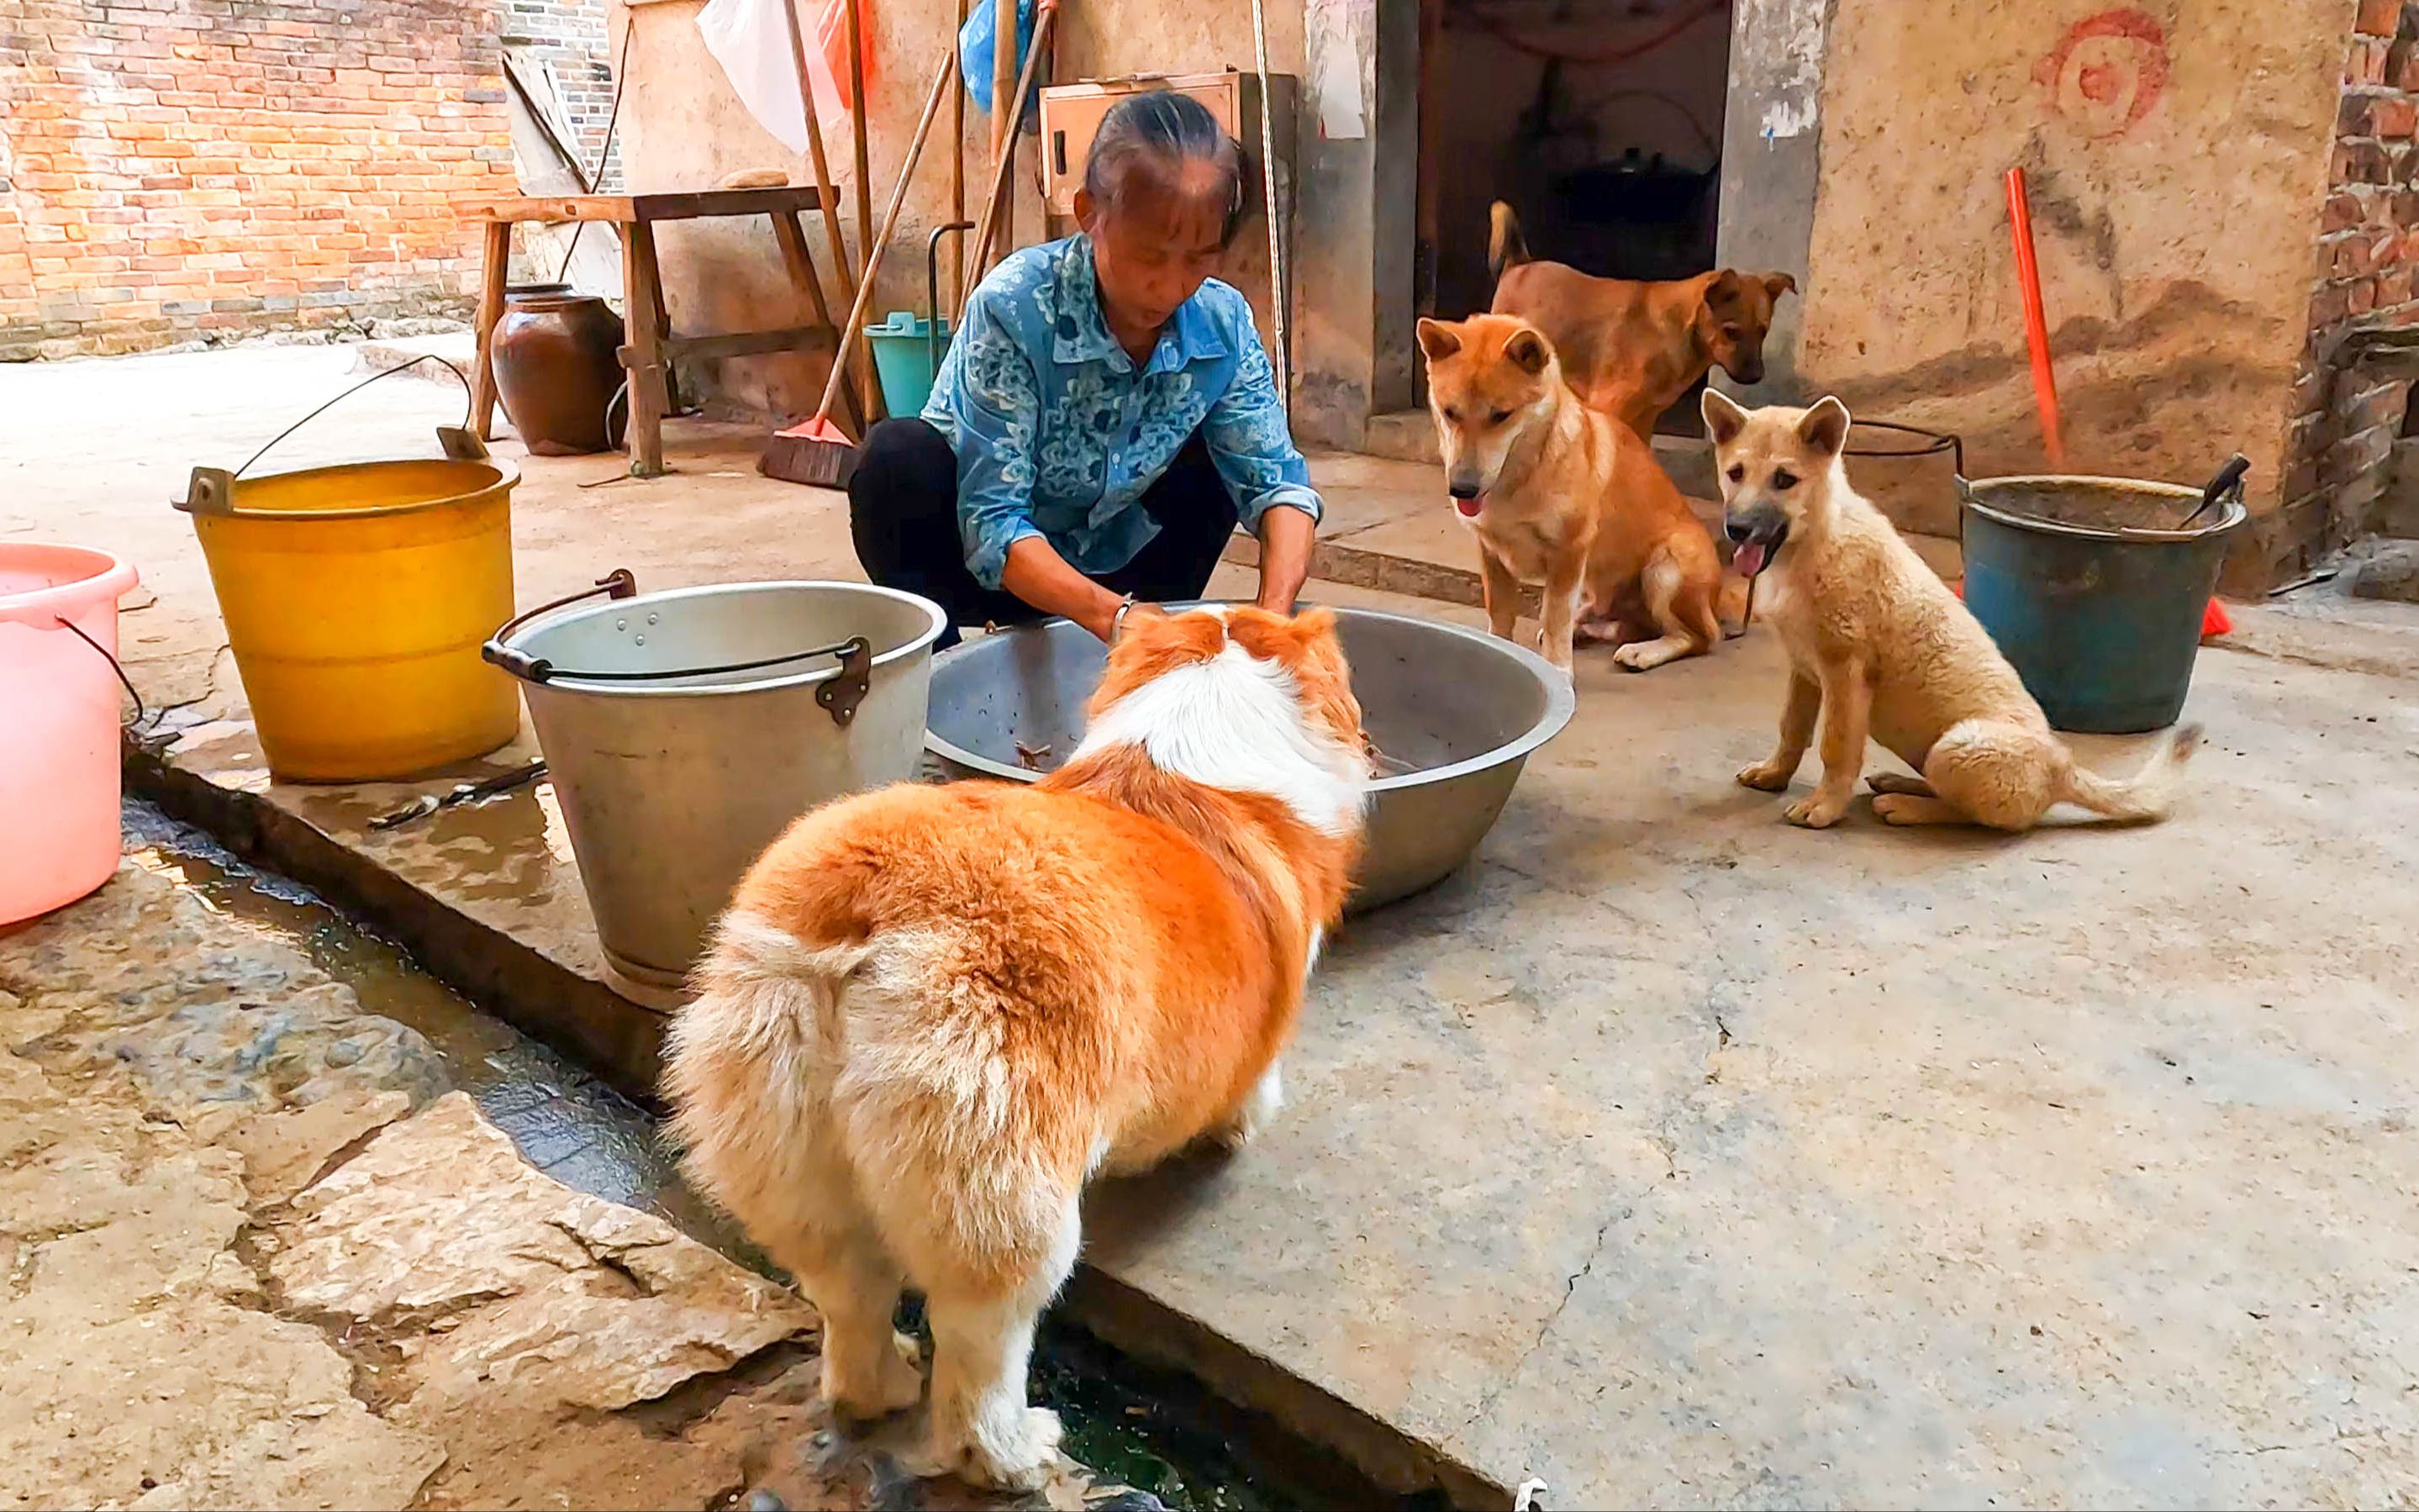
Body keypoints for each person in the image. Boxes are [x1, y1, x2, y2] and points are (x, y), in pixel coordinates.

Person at [847, 89, 1319, 648]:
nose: (1170, 288)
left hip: (1124, 563)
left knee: (1219, 455)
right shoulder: (1015, 308)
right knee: (893, 462)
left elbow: (1278, 483)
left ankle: (1145, 642)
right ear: (1089, 214)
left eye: (1199, 259)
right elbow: (993, 522)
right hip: (989, 568)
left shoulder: (1222, 321)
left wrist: (1272, 620)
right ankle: (944, 674)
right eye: (1149, 256)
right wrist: (1115, 619)